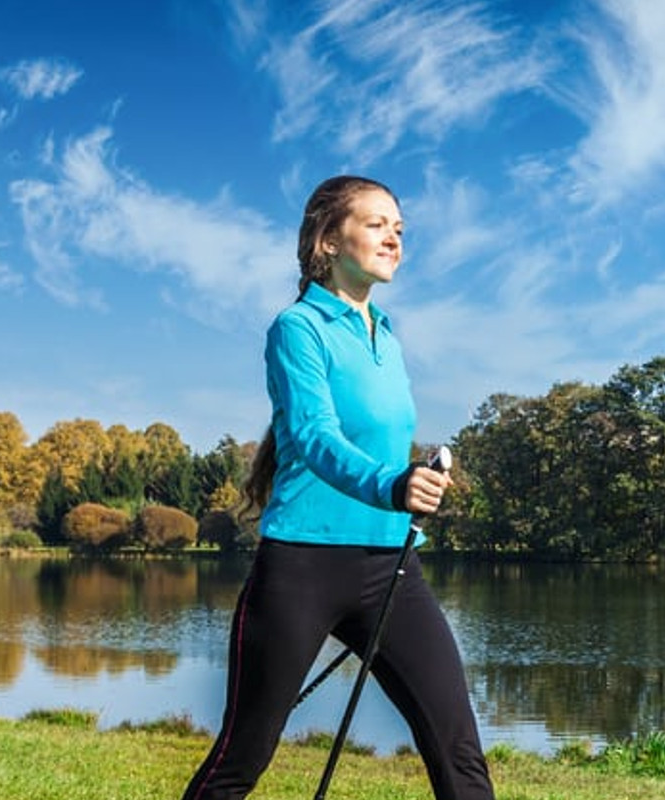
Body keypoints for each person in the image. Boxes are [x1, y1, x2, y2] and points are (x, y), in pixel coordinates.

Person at [184, 175, 494, 800]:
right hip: (301, 566)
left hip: (391, 567)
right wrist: (391, 483)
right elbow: (314, 436)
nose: (394, 239)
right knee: (243, 755)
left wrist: (417, 480)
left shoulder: (388, 336)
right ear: (328, 239)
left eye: (399, 229)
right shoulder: (298, 329)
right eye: (377, 224)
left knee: (458, 749)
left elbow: (377, 444)